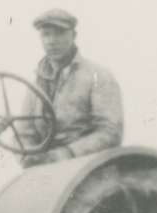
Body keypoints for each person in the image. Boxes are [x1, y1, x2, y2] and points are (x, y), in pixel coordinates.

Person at [19, 9, 124, 167]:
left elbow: (110, 132)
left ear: (73, 36)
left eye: (59, 33)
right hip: (45, 167)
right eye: (46, 34)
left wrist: (66, 153)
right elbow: (24, 131)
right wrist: (28, 154)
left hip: (87, 167)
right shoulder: (36, 84)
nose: (52, 41)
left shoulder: (97, 76)